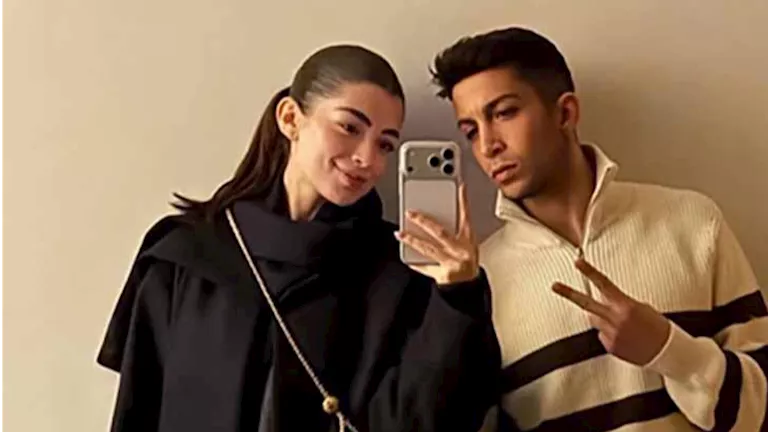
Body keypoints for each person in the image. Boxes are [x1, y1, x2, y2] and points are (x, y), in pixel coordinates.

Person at [97, 44, 501, 432]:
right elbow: (138, 409)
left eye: (385, 144)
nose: (367, 159)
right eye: (349, 127)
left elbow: (424, 421)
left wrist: (459, 296)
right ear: (290, 118)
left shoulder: (395, 271)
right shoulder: (186, 253)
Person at [430, 27, 767, 431]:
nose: (488, 146)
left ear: (565, 113)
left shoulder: (693, 222)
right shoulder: (480, 283)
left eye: (503, 113)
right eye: (470, 131)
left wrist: (670, 351)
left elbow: (764, 408)